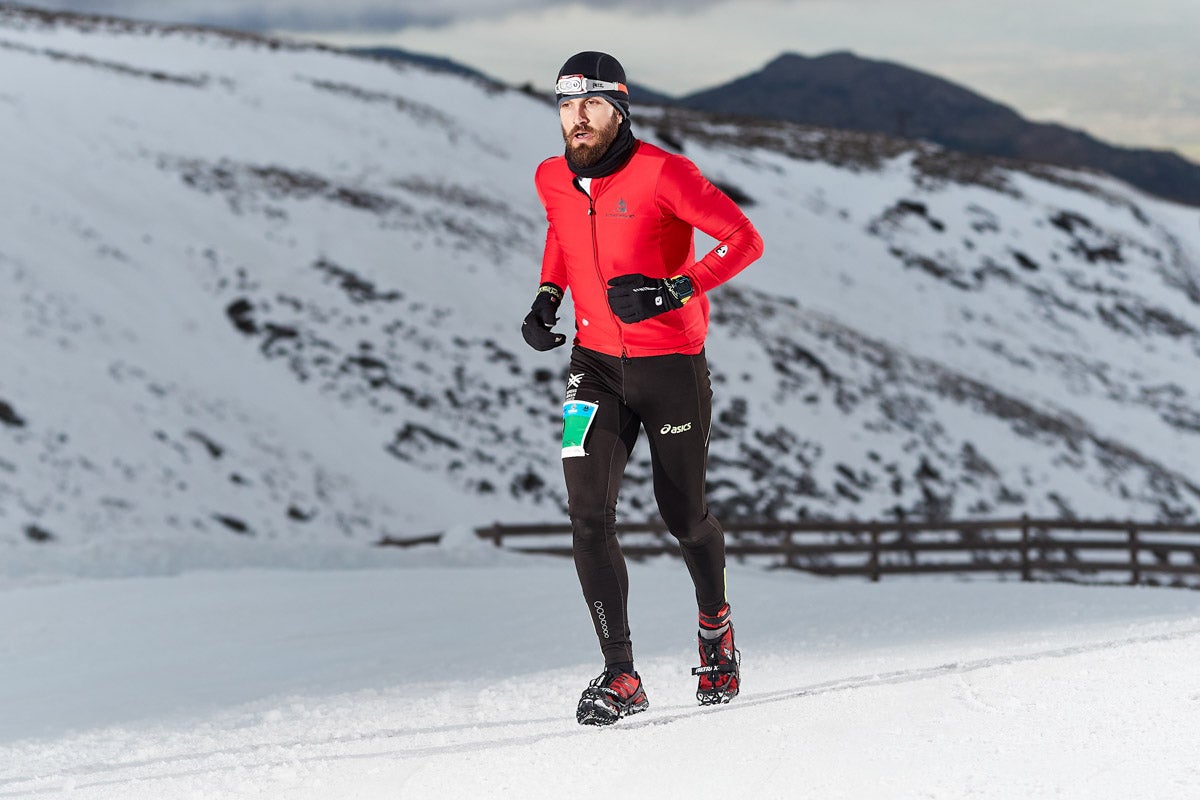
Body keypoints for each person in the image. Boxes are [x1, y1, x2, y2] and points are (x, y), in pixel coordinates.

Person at [522, 51, 764, 726]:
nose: (578, 119)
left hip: (670, 369)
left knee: (683, 515)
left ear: (619, 109)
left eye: (592, 105)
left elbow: (745, 239)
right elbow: (563, 234)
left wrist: (673, 288)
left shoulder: (664, 174)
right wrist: (549, 293)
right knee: (585, 511)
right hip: (593, 367)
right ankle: (620, 673)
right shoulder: (552, 177)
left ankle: (715, 626)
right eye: (568, 106)